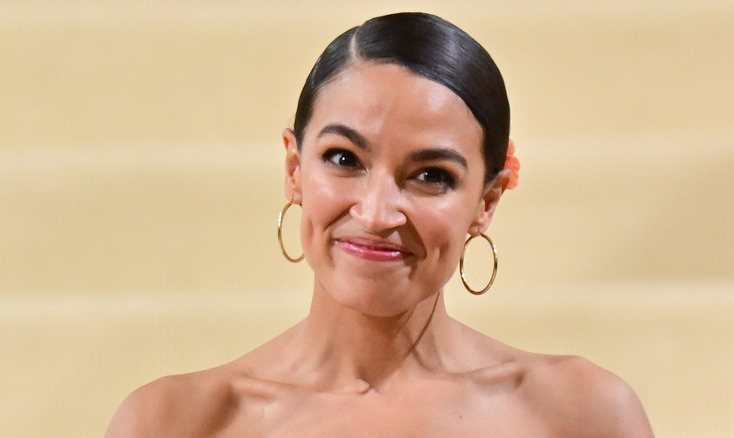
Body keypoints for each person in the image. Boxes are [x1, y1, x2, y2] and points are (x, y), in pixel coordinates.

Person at [105, 12, 654, 437]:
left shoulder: (581, 416)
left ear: (487, 201)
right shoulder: (174, 423)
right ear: (295, 169)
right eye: (344, 159)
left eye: (431, 175)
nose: (375, 213)